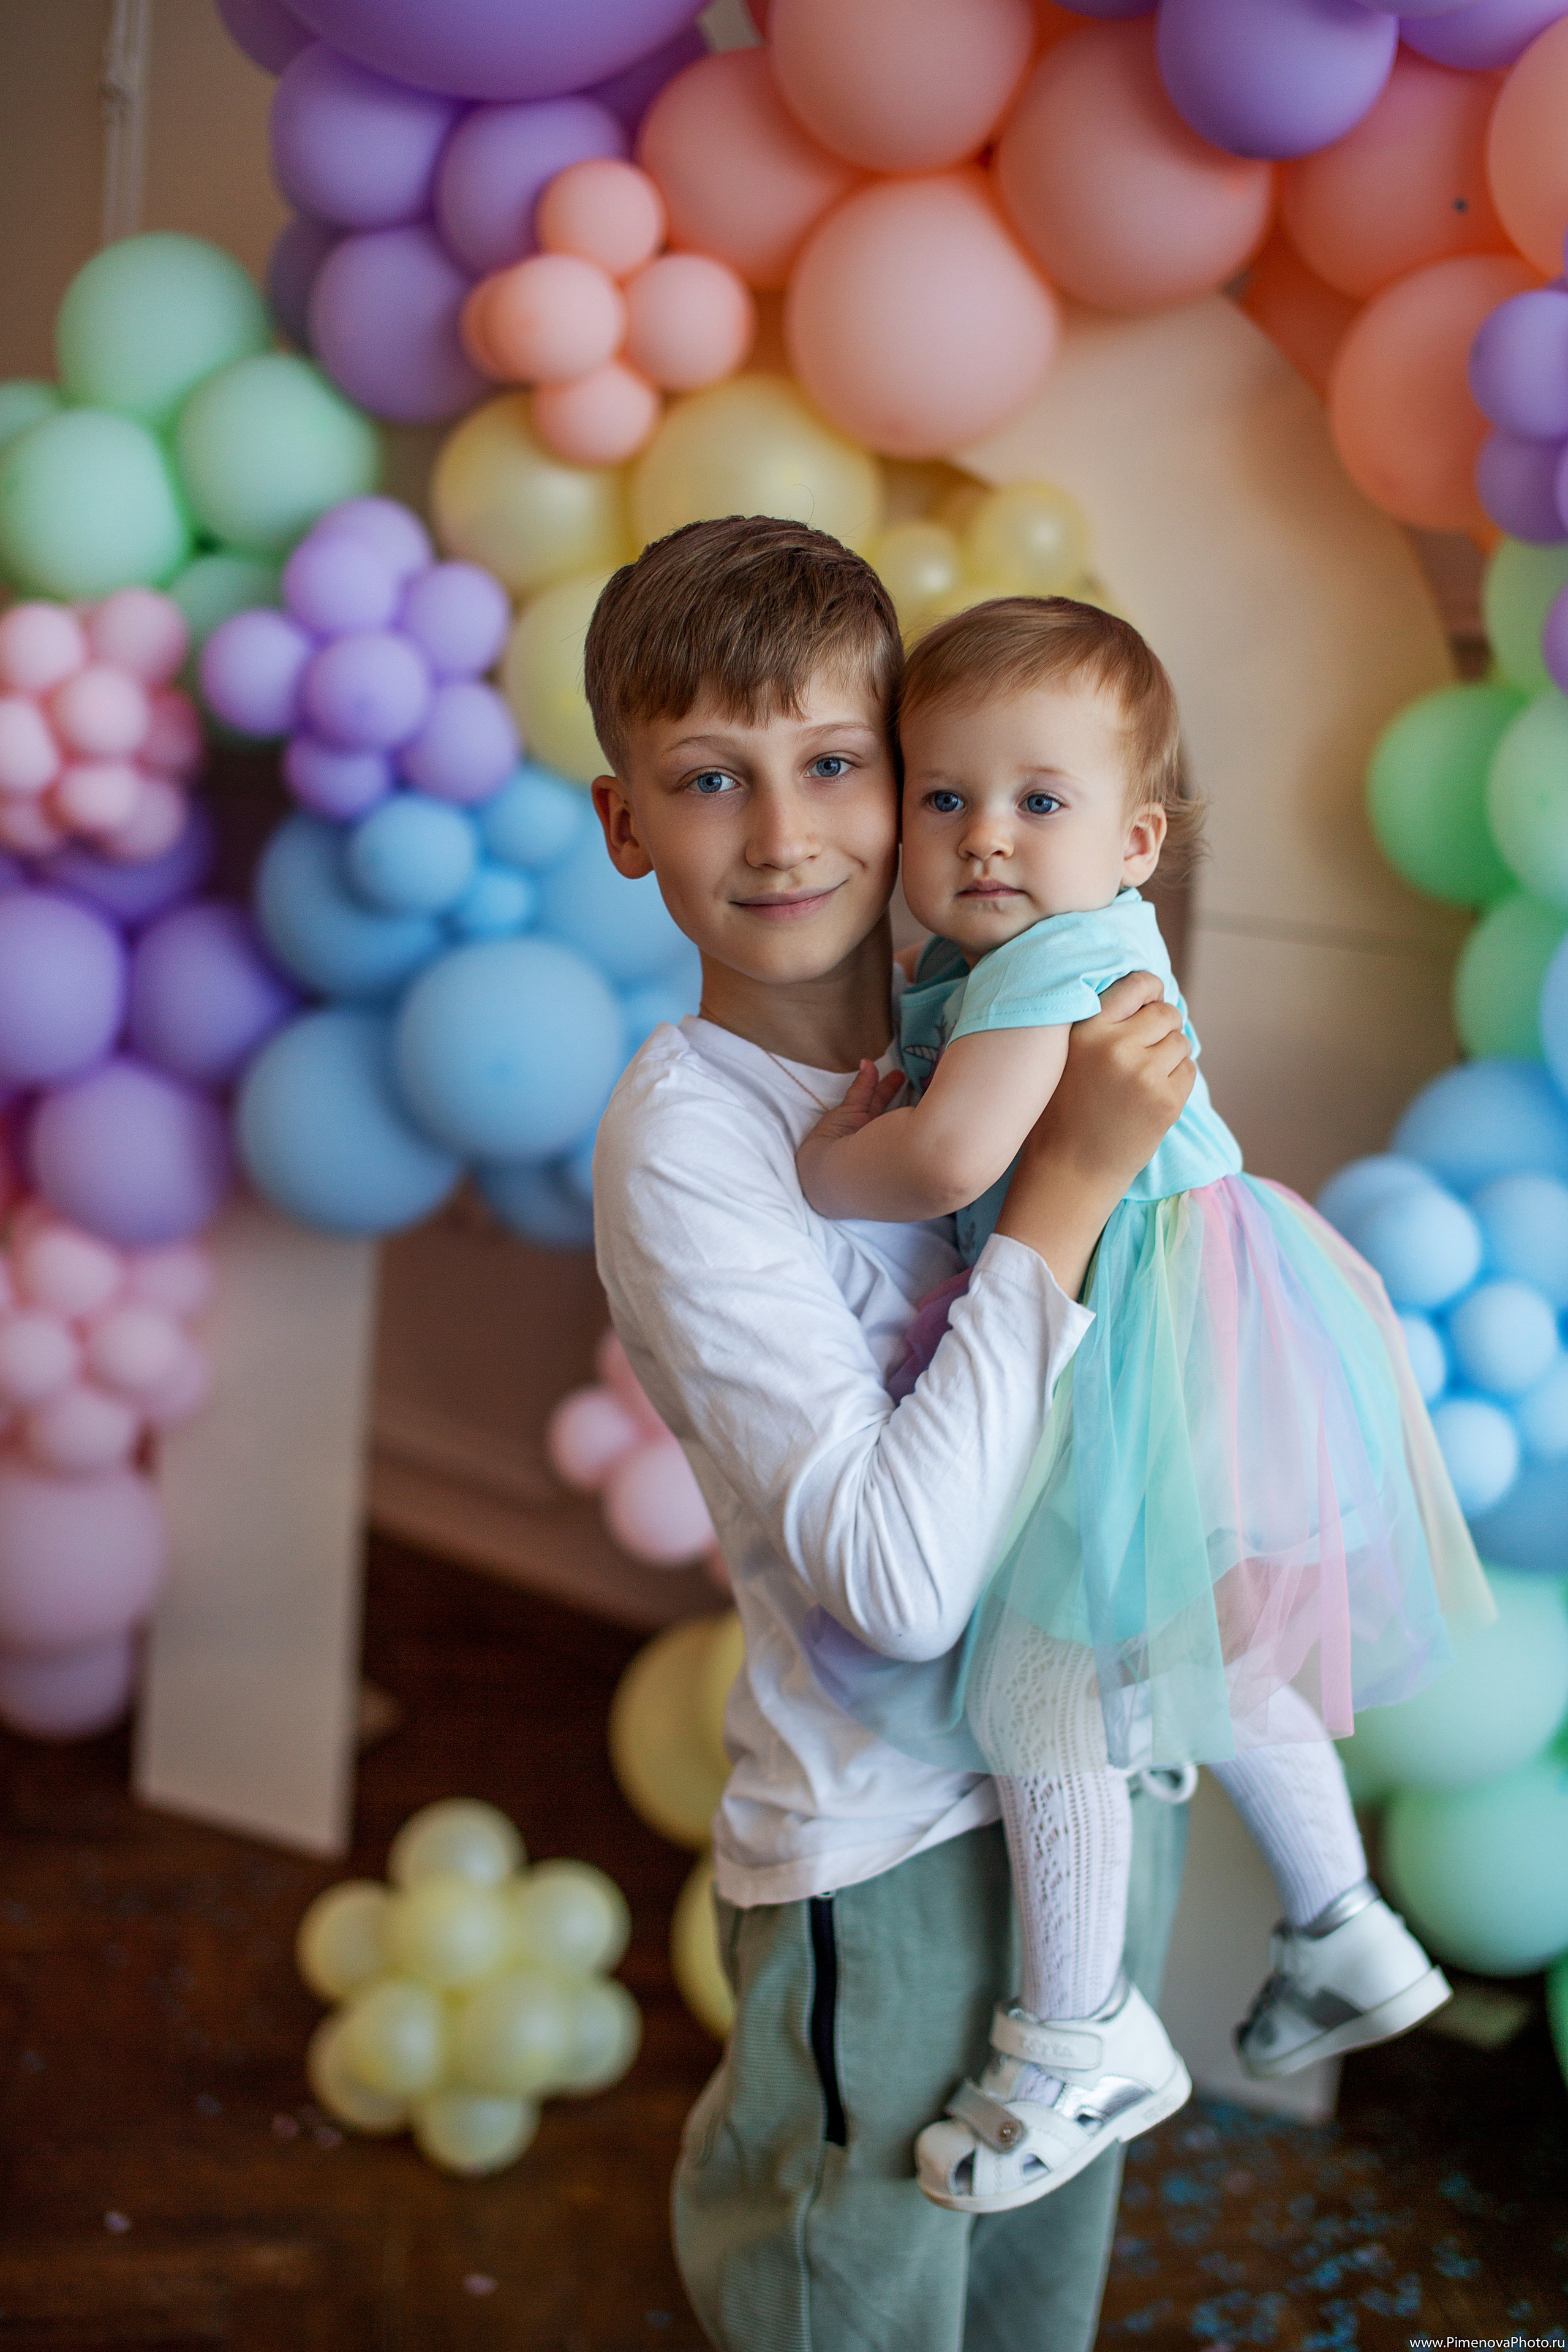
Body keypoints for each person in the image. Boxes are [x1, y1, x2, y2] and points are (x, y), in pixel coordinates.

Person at [793, 594, 1491, 2217]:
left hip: (1141, 1333)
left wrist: (831, 1156)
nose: (984, 838)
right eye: (943, 797)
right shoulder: (999, 963)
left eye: (1041, 802)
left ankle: (1079, 2038)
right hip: (1201, 1320)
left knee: (1043, 1696)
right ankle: (1343, 1923)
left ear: (1136, 839)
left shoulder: (1058, 957)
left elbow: (957, 1162)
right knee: (1219, 1648)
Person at [585, 517, 1197, 2352]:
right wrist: (1063, 1197)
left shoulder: (990, 1028)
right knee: (856, 2293)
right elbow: (902, 1583)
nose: (786, 835)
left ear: (916, 779)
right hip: (891, 1844)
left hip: (1101, 1790)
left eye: (839, 764)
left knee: (1034, 2303)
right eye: (711, 780)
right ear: (627, 827)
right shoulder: (695, 1135)